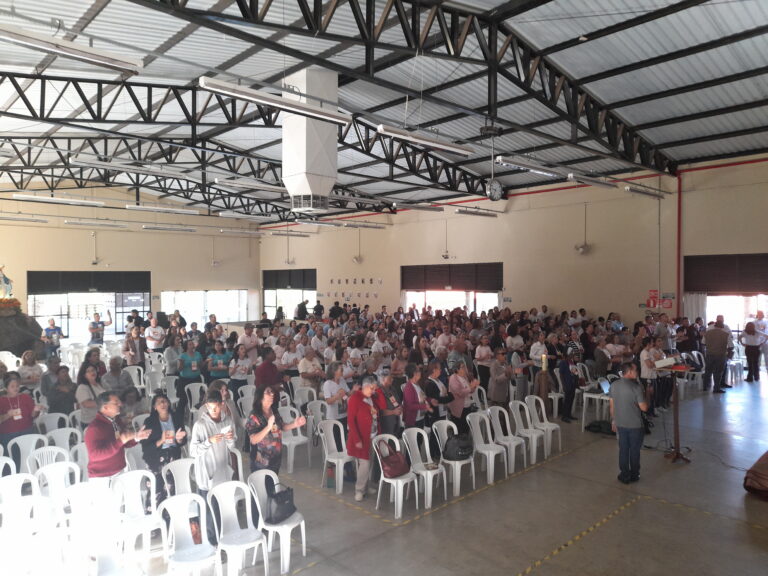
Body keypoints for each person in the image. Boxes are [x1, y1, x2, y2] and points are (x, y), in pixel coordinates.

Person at [189, 389, 236, 543]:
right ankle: (212, 543)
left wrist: (229, 439)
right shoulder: (200, 425)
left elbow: (231, 446)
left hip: (222, 471)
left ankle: (224, 538)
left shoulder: (227, 420)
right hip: (207, 474)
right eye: (210, 408)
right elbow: (193, 451)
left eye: (216, 407)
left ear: (222, 405)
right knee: (209, 513)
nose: (213, 411)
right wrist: (209, 442)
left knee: (223, 508)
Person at [84, 391, 150, 483]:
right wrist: (121, 440)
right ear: (105, 407)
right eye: (116, 403)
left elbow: (123, 443)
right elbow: (95, 455)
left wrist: (136, 437)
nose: (121, 404)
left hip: (119, 471)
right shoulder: (94, 428)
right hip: (102, 477)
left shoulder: (115, 421)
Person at [245, 386, 306, 473]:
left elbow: (282, 426)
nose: (272, 393)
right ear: (260, 397)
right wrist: (268, 427)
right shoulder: (254, 416)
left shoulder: (273, 410)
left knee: (273, 485)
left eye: (272, 391)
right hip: (260, 463)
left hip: (275, 460)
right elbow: (253, 440)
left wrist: (295, 424)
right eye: (268, 392)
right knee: (262, 486)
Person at [141, 393, 187, 505]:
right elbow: (146, 447)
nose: (162, 403)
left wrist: (180, 439)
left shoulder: (176, 417)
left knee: (172, 487)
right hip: (156, 457)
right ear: (154, 407)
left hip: (173, 454)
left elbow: (183, 440)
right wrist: (161, 441)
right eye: (159, 402)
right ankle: (154, 512)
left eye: (164, 401)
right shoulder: (149, 422)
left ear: (169, 403)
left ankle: (170, 512)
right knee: (156, 490)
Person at [347, 375, 386, 502]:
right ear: (366, 386)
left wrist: (376, 393)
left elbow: (382, 405)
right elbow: (351, 421)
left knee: (370, 461)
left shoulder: (370, 398)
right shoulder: (355, 398)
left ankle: (366, 486)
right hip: (361, 437)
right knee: (364, 464)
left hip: (372, 435)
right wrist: (357, 439)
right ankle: (359, 490)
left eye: (375, 388)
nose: (374, 391)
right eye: (372, 388)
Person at [609, 363, 648, 484]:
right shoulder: (636, 387)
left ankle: (624, 475)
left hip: (620, 423)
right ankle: (635, 474)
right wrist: (647, 396)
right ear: (630, 372)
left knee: (623, 450)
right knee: (635, 451)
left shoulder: (614, 385)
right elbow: (644, 408)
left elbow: (612, 406)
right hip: (635, 425)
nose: (637, 372)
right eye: (635, 370)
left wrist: (614, 420)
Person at [0, 373, 45, 452]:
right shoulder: (1, 401)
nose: (16, 388)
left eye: (17, 386)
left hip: (26, 430)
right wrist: (8, 415)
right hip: (8, 434)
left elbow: (32, 415)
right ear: (6, 389)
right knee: (13, 458)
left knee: (28, 454)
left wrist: (36, 409)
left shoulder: (25, 397)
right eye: (12, 386)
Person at [176, 339, 203, 414]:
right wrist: (181, 363)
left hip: (196, 379)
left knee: (196, 398)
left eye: (192, 344)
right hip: (185, 380)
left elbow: (201, 366)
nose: (192, 345)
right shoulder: (182, 355)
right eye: (190, 344)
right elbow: (179, 369)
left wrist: (199, 365)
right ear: (186, 346)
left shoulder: (198, 354)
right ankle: (179, 417)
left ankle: (194, 415)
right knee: (183, 400)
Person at [402, 363, 432, 429]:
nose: (420, 372)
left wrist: (430, 400)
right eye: (419, 370)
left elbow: (422, 397)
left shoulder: (417, 384)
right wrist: (425, 406)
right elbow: (410, 406)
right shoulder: (409, 388)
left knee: (420, 438)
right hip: (412, 420)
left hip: (420, 418)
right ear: (414, 374)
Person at [703, 320, 729, 393]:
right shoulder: (726, 334)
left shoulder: (707, 333)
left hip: (709, 354)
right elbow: (731, 345)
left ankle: (705, 386)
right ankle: (716, 388)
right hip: (720, 355)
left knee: (708, 371)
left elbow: (703, 342)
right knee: (718, 372)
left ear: (714, 326)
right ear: (722, 326)